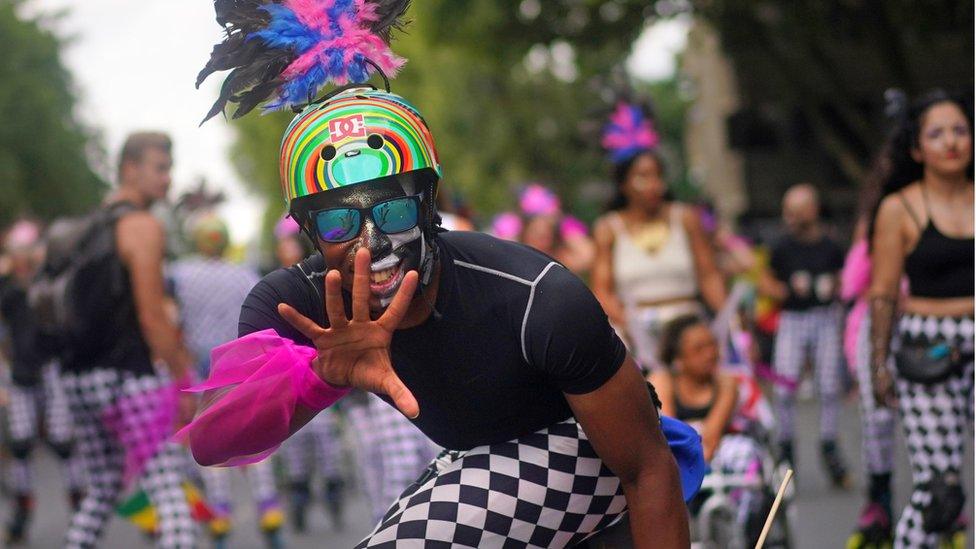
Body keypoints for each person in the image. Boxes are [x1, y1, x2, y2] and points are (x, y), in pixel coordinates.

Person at [185, 4, 704, 546]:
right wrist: (318, 377)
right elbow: (211, 443)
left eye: (393, 212)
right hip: (480, 463)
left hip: (596, 457)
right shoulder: (297, 305)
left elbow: (648, 469)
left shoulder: (535, 297)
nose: (372, 246)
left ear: (430, 204)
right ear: (309, 232)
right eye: (340, 221)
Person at [58, 132, 196, 548]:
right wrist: (182, 381)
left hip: (77, 379)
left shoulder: (83, 228)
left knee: (101, 491)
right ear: (129, 169)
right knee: (169, 491)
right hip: (126, 378)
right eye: (160, 168)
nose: (167, 179)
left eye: (169, 169)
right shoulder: (141, 226)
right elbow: (152, 316)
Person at [868, 89, 973, 548]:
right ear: (916, 148)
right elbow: (884, 294)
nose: (951, 142)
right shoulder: (899, 208)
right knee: (939, 492)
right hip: (929, 347)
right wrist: (878, 363)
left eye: (960, 131)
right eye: (937, 133)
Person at [169, 214, 283, 545]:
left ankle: (219, 522)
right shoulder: (244, 274)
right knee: (256, 441)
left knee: (213, 445)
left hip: (204, 375)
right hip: (243, 369)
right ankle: (269, 512)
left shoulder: (181, 273)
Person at [592, 101, 726, 371]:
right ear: (623, 183)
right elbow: (602, 291)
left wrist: (730, 322)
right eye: (643, 176)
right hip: (637, 338)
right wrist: (630, 328)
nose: (654, 184)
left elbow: (709, 275)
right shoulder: (608, 227)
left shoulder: (685, 217)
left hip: (690, 335)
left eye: (658, 175)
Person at [757, 183, 849, 487]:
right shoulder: (782, 247)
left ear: (811, 210)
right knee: (784, 385)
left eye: (795, 210)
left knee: (828, 385)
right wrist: (784, 291)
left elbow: (844, 278)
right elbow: (766, 280)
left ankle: (829, 444)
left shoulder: (831, 245)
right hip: (793, 319)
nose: (790, 217)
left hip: (824, 318)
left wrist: (834, 287)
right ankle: (786, 448)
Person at [0, 220, 85, 543]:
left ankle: (81, 509)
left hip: (52, 370)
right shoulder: (7, 291)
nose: (22, 261)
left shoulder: (50, 282)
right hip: (20, 373)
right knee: (20, 445)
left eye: (27, 253)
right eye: (16, 254)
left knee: (63, 443)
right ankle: (21, 513)